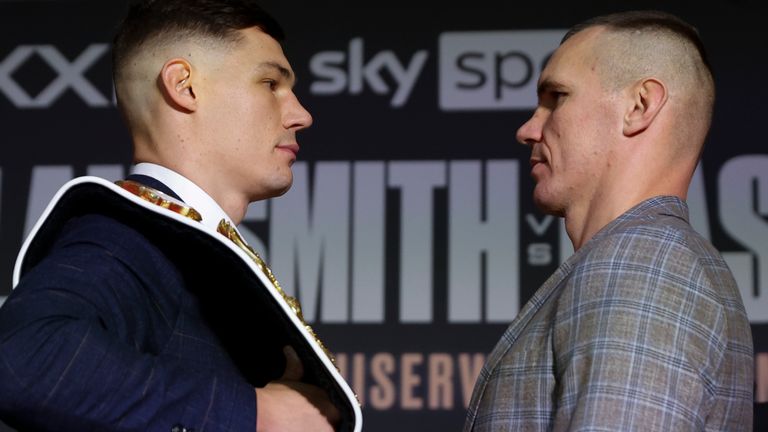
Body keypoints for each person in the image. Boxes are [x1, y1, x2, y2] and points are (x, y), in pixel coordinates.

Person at [0, 0, 343, 431]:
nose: (301, 114)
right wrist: (259, 415)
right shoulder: (126, 236)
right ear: (184, 86)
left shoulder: (185, 246)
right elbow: (21, 356)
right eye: (270, 82)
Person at [464, 10, 753, 431]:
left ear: (639, 106)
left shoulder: (643, 264)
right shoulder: (647, 258)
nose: (527, 129)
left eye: (556, 97)